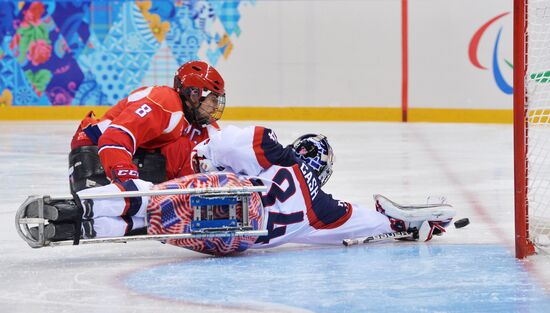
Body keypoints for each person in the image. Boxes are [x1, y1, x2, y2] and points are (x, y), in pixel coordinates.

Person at [25, 126, 456, 255]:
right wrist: (404, 225)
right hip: (232, 240)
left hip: (224, 192)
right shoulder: (323, 209)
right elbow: (368, 222)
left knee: (152, 204)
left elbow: (234, 142)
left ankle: (71, 212)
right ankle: (79, 228)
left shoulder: (274, 156)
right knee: (155, 226)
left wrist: (203, 155)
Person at [68, 60, 226, 192]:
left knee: (192, 149)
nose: (214, 107)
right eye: (212, 100)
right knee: (184, 148)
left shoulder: (193, 120)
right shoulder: (165, 103)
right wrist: (126, 180)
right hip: (94, 151)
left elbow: (217, 148)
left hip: (116, 152)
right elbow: (114, 138)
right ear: (195, 94)